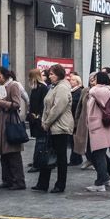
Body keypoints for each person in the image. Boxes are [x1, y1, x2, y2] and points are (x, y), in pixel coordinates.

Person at [34, 64, 72, 193]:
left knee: (60, 157)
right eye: (49, 74)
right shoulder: (53, 87)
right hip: (51, 126)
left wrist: (47, 122)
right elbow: (47, 106)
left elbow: (58, 108)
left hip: (60, 126)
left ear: (59, 74)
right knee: (47, 152)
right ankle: (42, 183)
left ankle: (60, 184)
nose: (50, 76)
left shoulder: (62, 87)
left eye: (52, 74)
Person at [81, 71, 110, 193]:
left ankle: (100, 183)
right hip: (99, 127)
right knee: (97, 155)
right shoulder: (104, 90)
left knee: (98, 155)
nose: (92, 82)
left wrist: (94, 86)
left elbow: (91, 91)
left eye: (95, 79)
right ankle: (105, 178)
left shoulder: (103, 90)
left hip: (100, 127)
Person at [0, 67, 27, 190]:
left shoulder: (13, 86)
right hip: (2, 122)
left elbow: (17, 104)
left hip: (10, 122)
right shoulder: (2, 87)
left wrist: (1, 103)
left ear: (5, 76)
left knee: (13, 154)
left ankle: (18, 181)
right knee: (4, 154)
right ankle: (7, 179)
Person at [27, 69, 49, 172]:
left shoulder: (42, 88)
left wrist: (38, 116)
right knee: (39, 141)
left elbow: (43, 104)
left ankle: (38, 163)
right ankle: (37, 161)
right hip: (35, 118)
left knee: (41, 141)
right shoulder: (36, 88)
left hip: (39, 119)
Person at [68, 73, 85, 166]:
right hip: (71, 117)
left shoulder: (79, 91)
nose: (71, 81)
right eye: (71, 79)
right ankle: (75, 158)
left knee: (75, 139)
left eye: (73, 80)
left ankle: (76, 159)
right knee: (72, 139)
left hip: (75, 118)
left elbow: (77, 104)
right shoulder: (72, 91)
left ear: (77, 82)